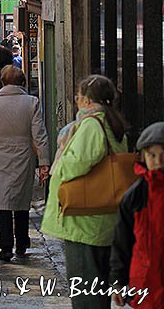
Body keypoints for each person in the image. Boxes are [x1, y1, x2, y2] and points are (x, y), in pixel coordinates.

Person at [41, 74, 129, 309]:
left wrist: (61, 155)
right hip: (102, 218)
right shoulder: (114, 124)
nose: (76, 101)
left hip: (85, 220)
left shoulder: (91, 125)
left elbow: (75, 164)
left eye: (78, 97)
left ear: (88, 101)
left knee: (86, 292)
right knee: (97, 290)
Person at [0, 66, 49, 261]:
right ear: (22, 82)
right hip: (24, 154)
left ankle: (5, 245)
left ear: (3, 82)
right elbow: (39, 134)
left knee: (2, 200)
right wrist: (44, 162)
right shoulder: (31, 102)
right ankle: (22, 242)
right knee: (22, 200)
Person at [110, 122, 164, 309]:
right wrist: (118, 282)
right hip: (144, 281)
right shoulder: (134, 196)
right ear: (143, 157)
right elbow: (122, 242)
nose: (158, 161)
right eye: (152, 155)